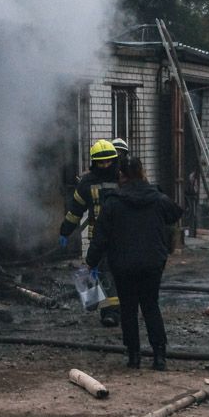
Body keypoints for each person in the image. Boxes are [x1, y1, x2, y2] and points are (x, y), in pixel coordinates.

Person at [87, 156, 184, 370]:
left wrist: (91, 261)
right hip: (152, 263)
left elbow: (100, 236)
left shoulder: (113, 202)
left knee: (128, 309)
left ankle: (134, 356)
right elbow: (176, 213)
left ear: (121, 175)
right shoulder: (158, 198)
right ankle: (159, 357)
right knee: (151, 306)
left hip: (123, 264)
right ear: (142, 173)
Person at [59, 139, 122, 327]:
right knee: (102, 274)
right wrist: (65, 231)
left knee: (119, 274)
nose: (105, 165)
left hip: (123, 236)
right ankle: (108, 312)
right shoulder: (86, 182)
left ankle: (117, 310)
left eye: (109, 161)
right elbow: (75, 211)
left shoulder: (123, 178)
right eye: (101, 162)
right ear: (94, 162)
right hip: (99, 238)